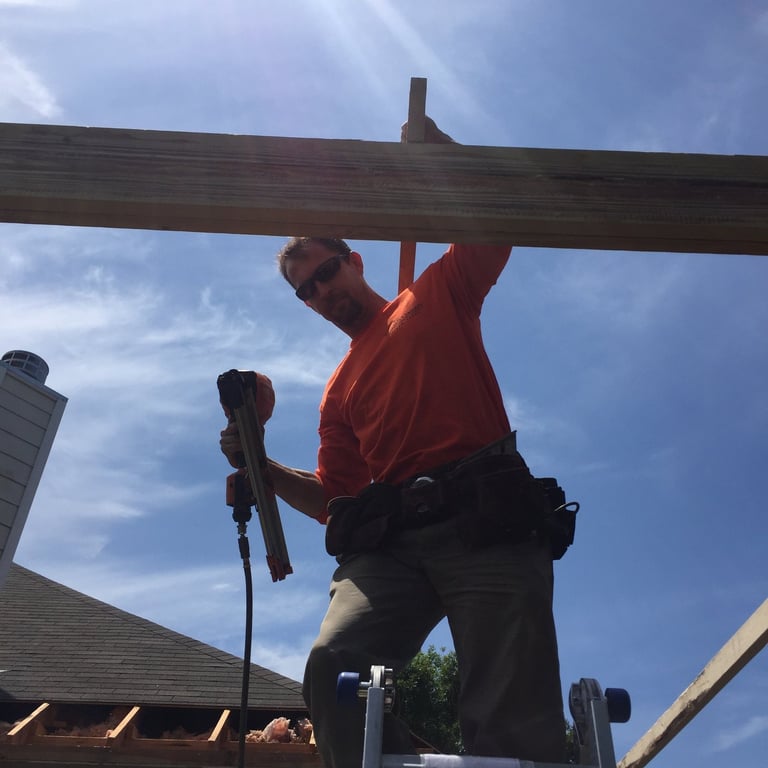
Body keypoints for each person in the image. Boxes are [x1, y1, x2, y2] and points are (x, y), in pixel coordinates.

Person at [220, 119, 566, 767]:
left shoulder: (435, 295)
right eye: (306, 290)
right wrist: (262, 467)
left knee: (510, 714)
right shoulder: (338, 391)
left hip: (485, 516)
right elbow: (336, 499)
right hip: (393, 545)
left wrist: (442, 152)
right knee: (334, 665)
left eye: (326, 272)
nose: (321, 292)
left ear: (355, 260)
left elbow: (500, 213)